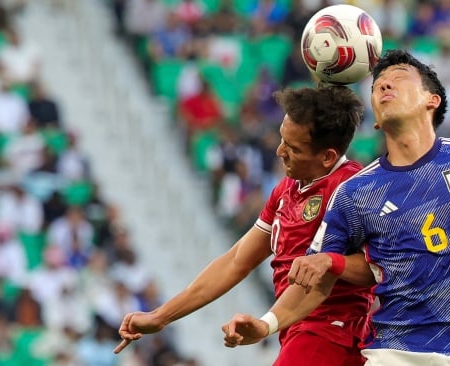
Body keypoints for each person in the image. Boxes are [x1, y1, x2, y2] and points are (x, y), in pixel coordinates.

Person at [221, 49, 450, 365]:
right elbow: (317, 279)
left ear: (432, 100)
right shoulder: (356, 192)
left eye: (399, 79)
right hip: (395, 348)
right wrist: (267, 324)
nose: (384, 86)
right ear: (376, 118)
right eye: (378, 86)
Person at [114, 85, 375, 365]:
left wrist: (268, 321)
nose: (279, 151)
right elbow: (237, 260)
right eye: (282, 139)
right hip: (296, 330)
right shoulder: (286, 189)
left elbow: (376, 268)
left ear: (328, 157)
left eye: (293, 148)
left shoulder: (352, 189)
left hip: (332, 332)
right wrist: (160, 316)